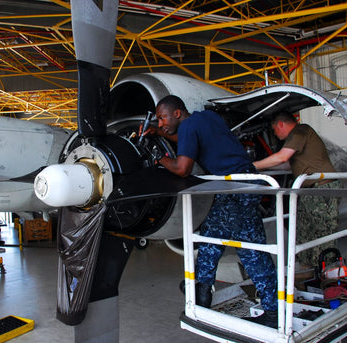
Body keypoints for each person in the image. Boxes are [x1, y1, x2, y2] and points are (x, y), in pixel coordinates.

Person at [142, 95, 278, 328]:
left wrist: (160, 158)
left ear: (177, 113)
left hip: (235, 190)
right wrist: (158, 133)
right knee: (209, 238)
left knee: (250, 252)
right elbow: (187, 138)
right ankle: (201, 294)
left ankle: (273, 310)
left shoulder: (187, 128)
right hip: (241, 185)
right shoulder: (206, 118)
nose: (161, 122)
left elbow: (182, 169)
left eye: (163, 118)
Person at [253, 112, 340, 268]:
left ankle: (326, 274)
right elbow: (287, 165)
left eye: (274, 130)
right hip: (310, 191)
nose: (275, 134)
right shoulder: (298, 137)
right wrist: (263, 170)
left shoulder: (300, 131)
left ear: (280, 124)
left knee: (321, 233)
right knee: (305, 232)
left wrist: (252, 166)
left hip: (321, 190)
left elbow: (282, 157)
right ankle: (308, 273)